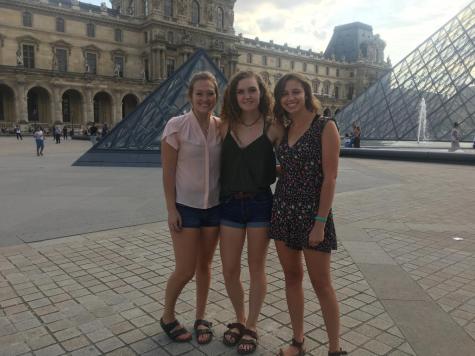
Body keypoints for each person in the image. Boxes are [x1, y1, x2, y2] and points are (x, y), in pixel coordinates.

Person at [270, 73, 347, 356]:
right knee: (291, 277)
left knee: (321, 283)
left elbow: (330, 178)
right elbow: (282, 165)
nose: (290, 98)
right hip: (283, 209)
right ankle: (298, 341)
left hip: (313, 215)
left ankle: (335, 349)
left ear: (306, 94)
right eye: (284, 94)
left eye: (295, 92)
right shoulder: (284, 128)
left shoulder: (325, 126)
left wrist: (320, 223)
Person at [219, 71, 283, 354]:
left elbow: (293, 159)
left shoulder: (274, 127)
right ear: (234, 96)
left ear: (261, 93)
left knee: (256, 267)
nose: (246, 96)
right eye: (241, 91)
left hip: (260, 203)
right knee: (230, 269)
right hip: (230, 204)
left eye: (251, 90)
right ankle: (239, 319)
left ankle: (252, 325)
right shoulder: (223, 126)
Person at [160, 72, 222, 345]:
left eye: (210, 93)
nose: (205, 98)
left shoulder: (222, 126)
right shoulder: (176, 126)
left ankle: (200, 317)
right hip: (186, 208)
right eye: (200, 93)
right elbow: (168, 172)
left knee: (205, 267)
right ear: (190, 96)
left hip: (214, 207)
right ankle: (168, 316)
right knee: (185, 269)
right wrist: (171, 210)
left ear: (216, 96)